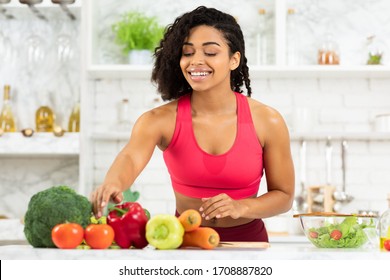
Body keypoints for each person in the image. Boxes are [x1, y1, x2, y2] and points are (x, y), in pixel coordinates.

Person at [91, 6, 295, 242]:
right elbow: (130, 157)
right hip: (183, 242)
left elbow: (284, 196)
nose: (196, 61)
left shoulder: (267, 120)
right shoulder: (158, 120)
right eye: (187, 53)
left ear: (233, 59)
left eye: (210, 52)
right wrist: (112, 184)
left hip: (249, 244)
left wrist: (243, 207)